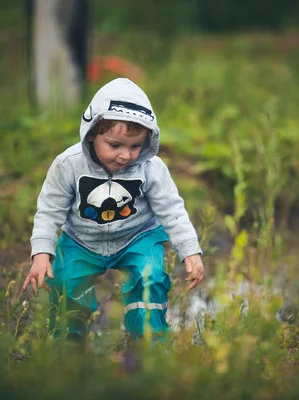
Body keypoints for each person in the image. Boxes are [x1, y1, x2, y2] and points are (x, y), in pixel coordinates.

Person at [21, 77, 204, 344]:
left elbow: (172, 209)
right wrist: (41, 253)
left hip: (137, 238)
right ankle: (66, 351)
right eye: (115, 145)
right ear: (92, 132)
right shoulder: (69, 164)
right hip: (81, 240)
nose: (126, 156)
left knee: (150, 279)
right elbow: (50, 210)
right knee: (66, 285)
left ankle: (150, 345)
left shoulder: (151, 169)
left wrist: (190, 249)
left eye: (135, 146)